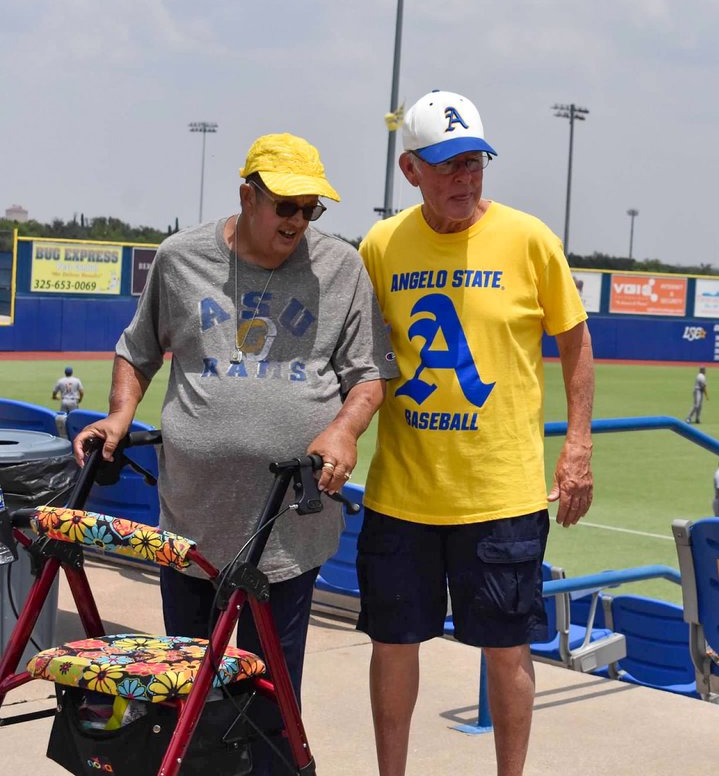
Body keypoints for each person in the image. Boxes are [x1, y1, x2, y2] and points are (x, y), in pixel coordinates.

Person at [73, 133, 397, 775]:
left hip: (288, 530)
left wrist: (344, 429)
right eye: (286, 206)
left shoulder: (341, 267)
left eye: (310, 209)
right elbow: (137, 351)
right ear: (248, 197)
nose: (298, 221)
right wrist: (119, 415)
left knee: (271, 696)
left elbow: (370, 373)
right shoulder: (180, 258)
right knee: (189, 688)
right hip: (192, 523)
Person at [355, 89, 595, 776]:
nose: (465, 178)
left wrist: (578, 447)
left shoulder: (529, 239)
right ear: (410, 170)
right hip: (402, 493)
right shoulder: (380, 245)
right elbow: (359, 355)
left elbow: (575, 342)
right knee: (392, 644)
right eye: (448, 165)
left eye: (475, 162)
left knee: (507, 652)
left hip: (501, 495)